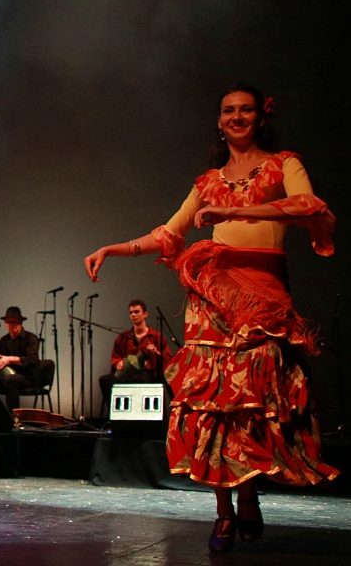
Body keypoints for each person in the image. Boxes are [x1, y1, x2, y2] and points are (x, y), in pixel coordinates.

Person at [84, 83, 338, 554]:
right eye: (228, 111)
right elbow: (169, 232)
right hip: (211, 302)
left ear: (261, 115)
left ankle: (248, 493)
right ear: (219, 122)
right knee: (210, 407)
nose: (237, 117)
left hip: (260, 300)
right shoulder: (208, 182)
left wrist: (236, 209)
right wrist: (112, 250)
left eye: (245, 110)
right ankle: (224, 512)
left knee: (250, 404)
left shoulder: (284, 163)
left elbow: (307, 206)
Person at [98, 299, 173, 403]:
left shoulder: (157, 337)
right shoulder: (124, 337)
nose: (133, 315)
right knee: (105, 380)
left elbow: (168, 359)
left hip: (148, 373)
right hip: (128, 373)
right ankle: (115, 414)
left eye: (136, 312)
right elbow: (116, 356)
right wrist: (117, 363)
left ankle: (138, 415)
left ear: (145, 314)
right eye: (131, 313)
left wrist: (156, 352)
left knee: (138, 379)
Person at [0, 307, 46, 411]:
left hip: (28, 378)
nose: (11, 324)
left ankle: (14, 417)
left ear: (20, 322)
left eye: (15, 321)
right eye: (9, 321)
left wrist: (10, 359)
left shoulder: (31, 338)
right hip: (8, 377)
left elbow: (32, 360)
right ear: (5, 323)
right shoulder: (4, 340)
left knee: (10, 379)